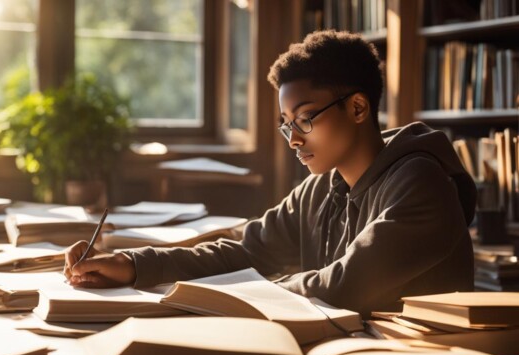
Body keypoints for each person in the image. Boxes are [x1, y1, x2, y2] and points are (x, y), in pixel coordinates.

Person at [64, 30, 476, 317]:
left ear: (357, 108)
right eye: (285, 123)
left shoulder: (421, 183)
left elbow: (345, 286)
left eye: (305, 118)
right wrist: (134, 264)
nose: (292, 138)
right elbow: (242, 250)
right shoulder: (318, 189)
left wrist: (242, 294)